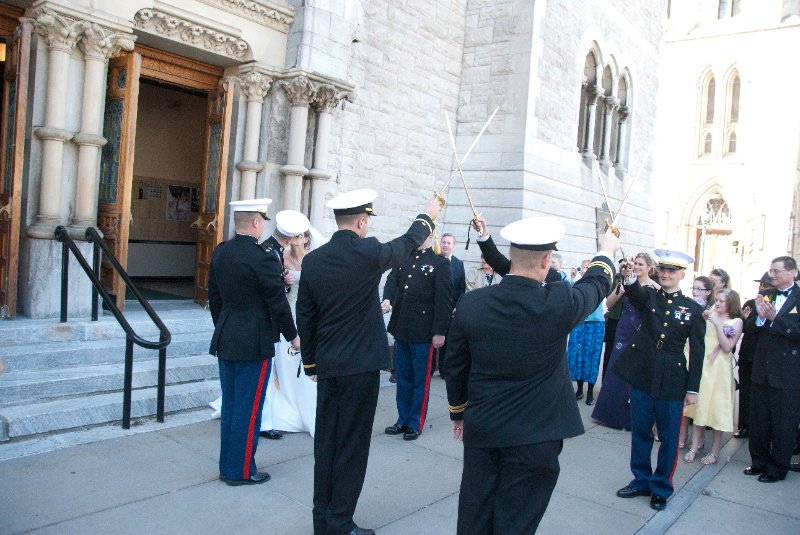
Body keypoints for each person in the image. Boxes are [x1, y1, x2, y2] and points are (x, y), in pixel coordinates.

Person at [444, 216, 619, 534]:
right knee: (516, 523)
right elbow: (596, 284)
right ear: (547, 260)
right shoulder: (559, 301)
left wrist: (458, 412)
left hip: (484, 428)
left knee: (475, 514)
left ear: (510, 255)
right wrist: (606, 250)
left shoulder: (471, 304)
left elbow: (454, 366)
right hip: (536, 436)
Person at [296, 189, 442, 535]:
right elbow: (409, 241)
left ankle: (323, 520)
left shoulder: (314, 261)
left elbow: (306, 315)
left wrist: (312, 362)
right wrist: (428, 214)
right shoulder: (369, 253)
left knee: (327, 444)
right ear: (362, 221)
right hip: (360, 367)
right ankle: (340, 523)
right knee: (352, 446)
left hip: (329, 365)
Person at [208, 198, 300, 486]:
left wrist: (224, 325)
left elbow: (215, 298)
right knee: (249, 409)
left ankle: (228, 466)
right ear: (257, 223)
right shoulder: (262, 257)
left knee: (233, 405)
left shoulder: (221, 252)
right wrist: (293, 336)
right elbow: (277, 303)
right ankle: (242, 471)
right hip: (254, 340)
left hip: (227, 336)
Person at [613, 249, 705, 511]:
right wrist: (629, 275)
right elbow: (636, 293)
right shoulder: (650, 297)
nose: (666, 275)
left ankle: (661, 486)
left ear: (682, 275)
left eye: (672, 271)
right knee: (640, 431)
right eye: (662, 270)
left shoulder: (692, 309)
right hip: (644, 374)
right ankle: (641, 480)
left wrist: (693, 389)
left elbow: (697, 353)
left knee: (667, 436)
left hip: (673, 378)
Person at [381, 233, 453, 440]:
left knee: (420, 378)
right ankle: (402, 419)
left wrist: (440, 331)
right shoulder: (405, 257)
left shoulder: (439, 263)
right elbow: (392, 280)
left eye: (424, 234)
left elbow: (443, 300)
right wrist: (387, 299)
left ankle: (415, 422)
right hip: (402, 326)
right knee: (403, 377)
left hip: (424, 331)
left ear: (431, 237)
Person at [261, 211, 319, 438]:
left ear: (306, 238)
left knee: (302, 360)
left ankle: (302, 403)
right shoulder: (278, 257)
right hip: (286, 313)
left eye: (301, 235)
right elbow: (277, 292)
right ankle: (283, 400)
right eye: (294, 234)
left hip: (304, 313)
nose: (296, 238)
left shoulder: (313, 259)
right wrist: (285, 283)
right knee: (284, 360)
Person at [743, 256, 800, 483]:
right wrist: (758, 319)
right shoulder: (767, 295)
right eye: (770, 270)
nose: (772, 275)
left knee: (783, 423)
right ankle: (759, 462)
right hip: (762, 368)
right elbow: (750, 327)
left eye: (776, 271)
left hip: (787, 372)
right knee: (758, 420)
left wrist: (776, 319)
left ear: (793, 272)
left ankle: (777, 468)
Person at [591, 252, 659, 430]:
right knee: (616, 369)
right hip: (623, 329)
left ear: (649, 268)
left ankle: (630, 419)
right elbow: (609, 305)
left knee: (635, 374)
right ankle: (608, 414)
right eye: (635, 263)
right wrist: (620, 291)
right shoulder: (625, 283)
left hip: (641, 332)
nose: (636, 267)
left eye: (641, 264)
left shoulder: (655, 288)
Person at [683, 289, 743, 465]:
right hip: (704, 365)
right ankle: (694, 446)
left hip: (720, 370)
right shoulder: (709, 315)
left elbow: (727, 347)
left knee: (717, 409)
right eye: (716, 300)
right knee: (700, 407)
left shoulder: (736, 321)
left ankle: (715, 451)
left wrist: (718, 324)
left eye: (722, 301)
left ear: (730, 304)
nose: (717, 304)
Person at [676, 275, 715, 448]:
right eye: (694, 288)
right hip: (685, 350)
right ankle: (681, 437)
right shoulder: (687, 306)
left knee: (699, 400)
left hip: (705, 356)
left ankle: (698, 440)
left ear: (708, 292)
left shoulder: (712, 309)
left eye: (700, 289)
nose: (695, 292)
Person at [735, 272, 774, 439]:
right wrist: (753, 317)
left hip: (768, 358)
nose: (761, 288)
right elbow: (745, 326)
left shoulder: (778, 305)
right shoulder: (751, 303)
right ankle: (744, 426)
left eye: (765, 285)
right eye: (760, 285)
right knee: (746, 392)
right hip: (748, 354)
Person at [568, 259, 605, 405]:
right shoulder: (577, 283)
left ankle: (590, 391)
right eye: (583, 268)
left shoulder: (599, 284)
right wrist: (572, 279)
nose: (584, 270)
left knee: (592, 357)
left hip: (596, 324)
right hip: (579, 322)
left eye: (587, 268)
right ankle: (579, 389)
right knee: (578, 356)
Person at [435, 232, 464, 377]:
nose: (445, 245)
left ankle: (443, 370)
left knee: (447, 341)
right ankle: (431, 368)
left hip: (451, 309)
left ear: (454, 246)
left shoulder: (459, 264)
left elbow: (461, 287)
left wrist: (457, 306)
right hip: (434, 308)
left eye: (449, 243)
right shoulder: (434, 260)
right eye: (444, 242)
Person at [601, 258, 633, 380]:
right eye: (623, 267)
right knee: (609, 352)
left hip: (628, 321)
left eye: (628, 267)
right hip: (614, 319)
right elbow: (608, 298)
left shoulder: (635, 280)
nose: (625, 269)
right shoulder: (615, 278)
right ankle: (605, 380)